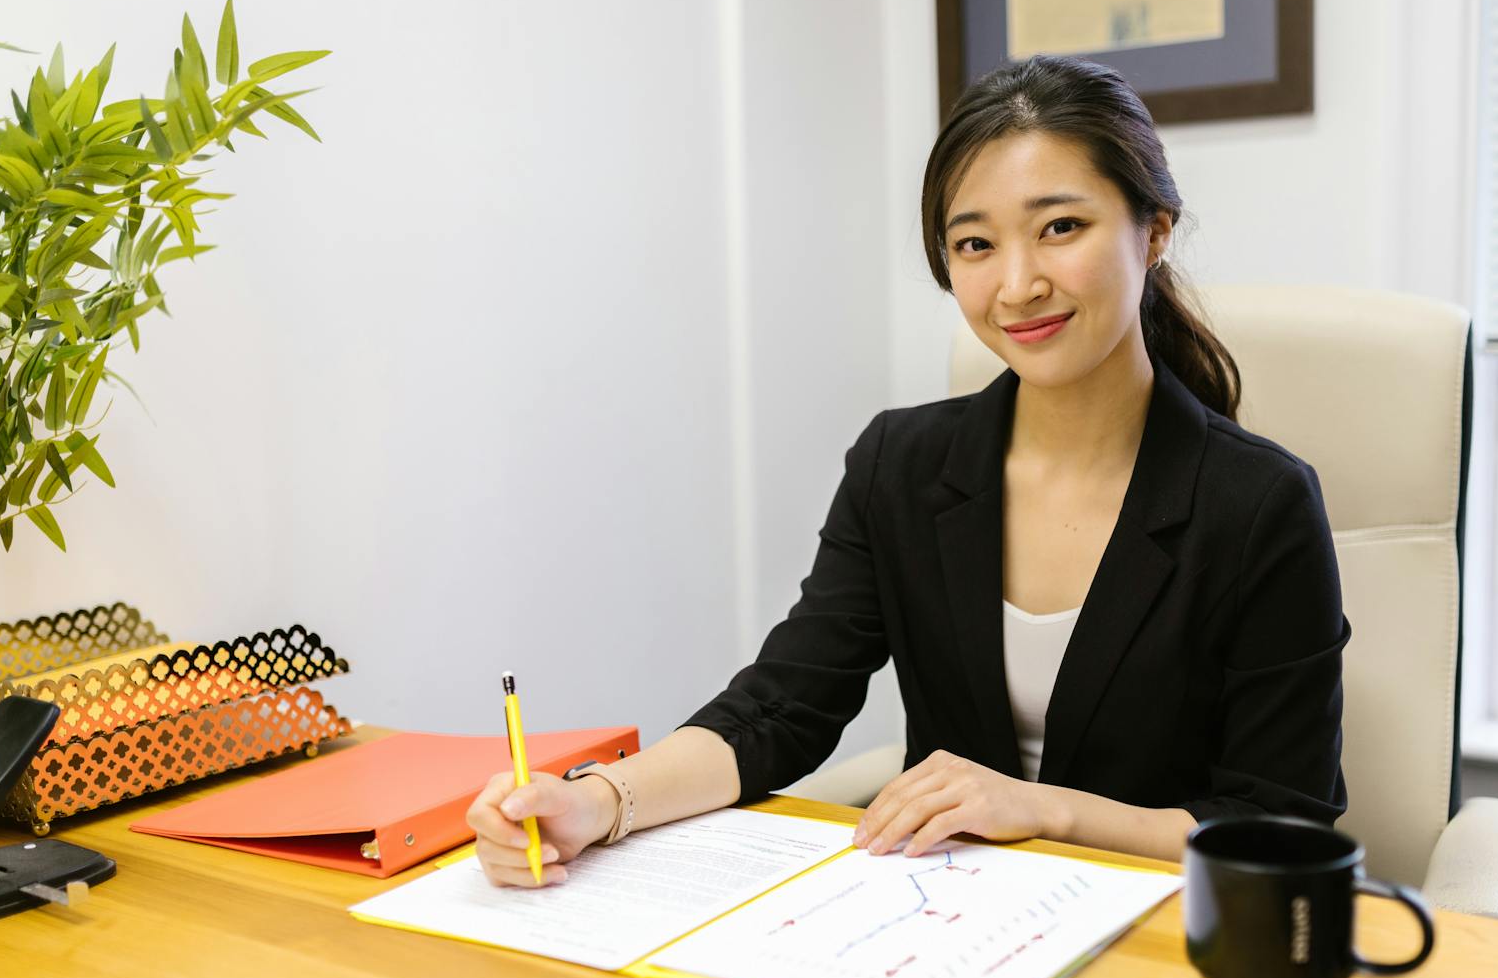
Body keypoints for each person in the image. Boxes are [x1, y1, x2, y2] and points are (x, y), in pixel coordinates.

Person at [468, 54, 1348, 887]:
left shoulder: (1257, 503)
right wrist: (594, 802)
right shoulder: (903, 465)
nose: (1017, 285)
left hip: (1167, 940)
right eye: (975, 245)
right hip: (944, 931)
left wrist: (1042, 811)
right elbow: (782, 705)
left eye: (1061, 228)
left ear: (1154, 231)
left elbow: (1278, 822)